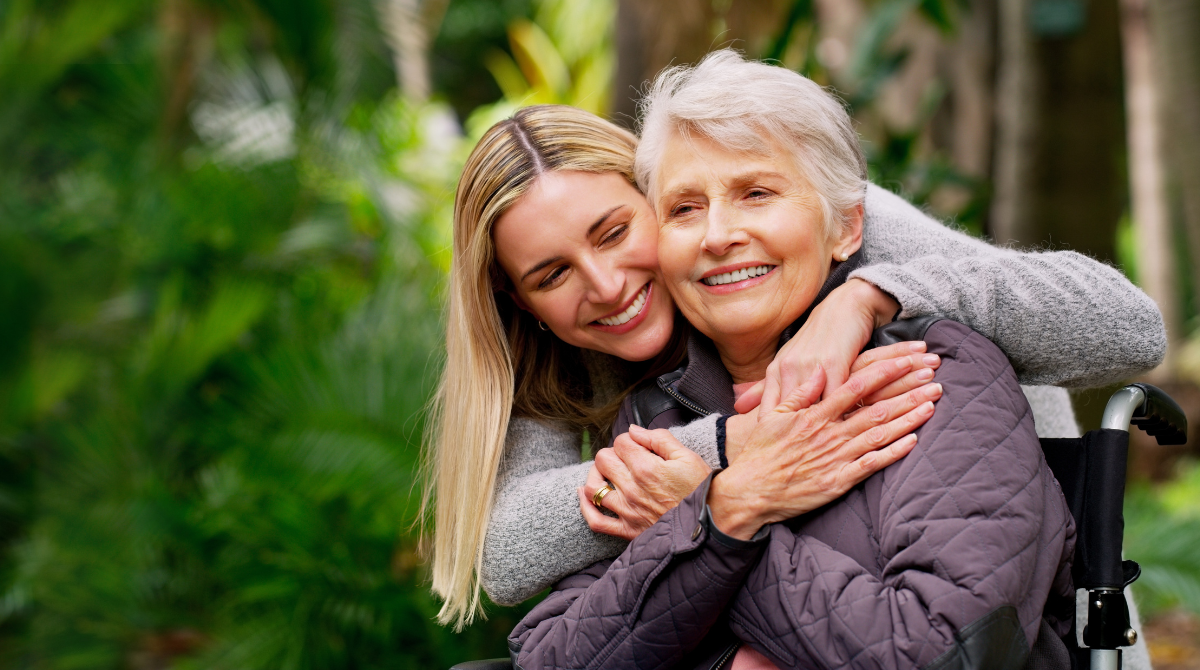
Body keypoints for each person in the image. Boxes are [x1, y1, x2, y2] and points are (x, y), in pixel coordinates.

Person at [427, 97, 1165, 654]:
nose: (607, 283)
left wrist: (867, 295)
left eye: (616, 232)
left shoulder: (824, 220)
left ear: (657, 194)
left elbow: (1130, 326)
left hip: (1022, 573)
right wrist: (732, 461)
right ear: (519, 299)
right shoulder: (581, 366)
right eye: (552, 272)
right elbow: (508, 551)